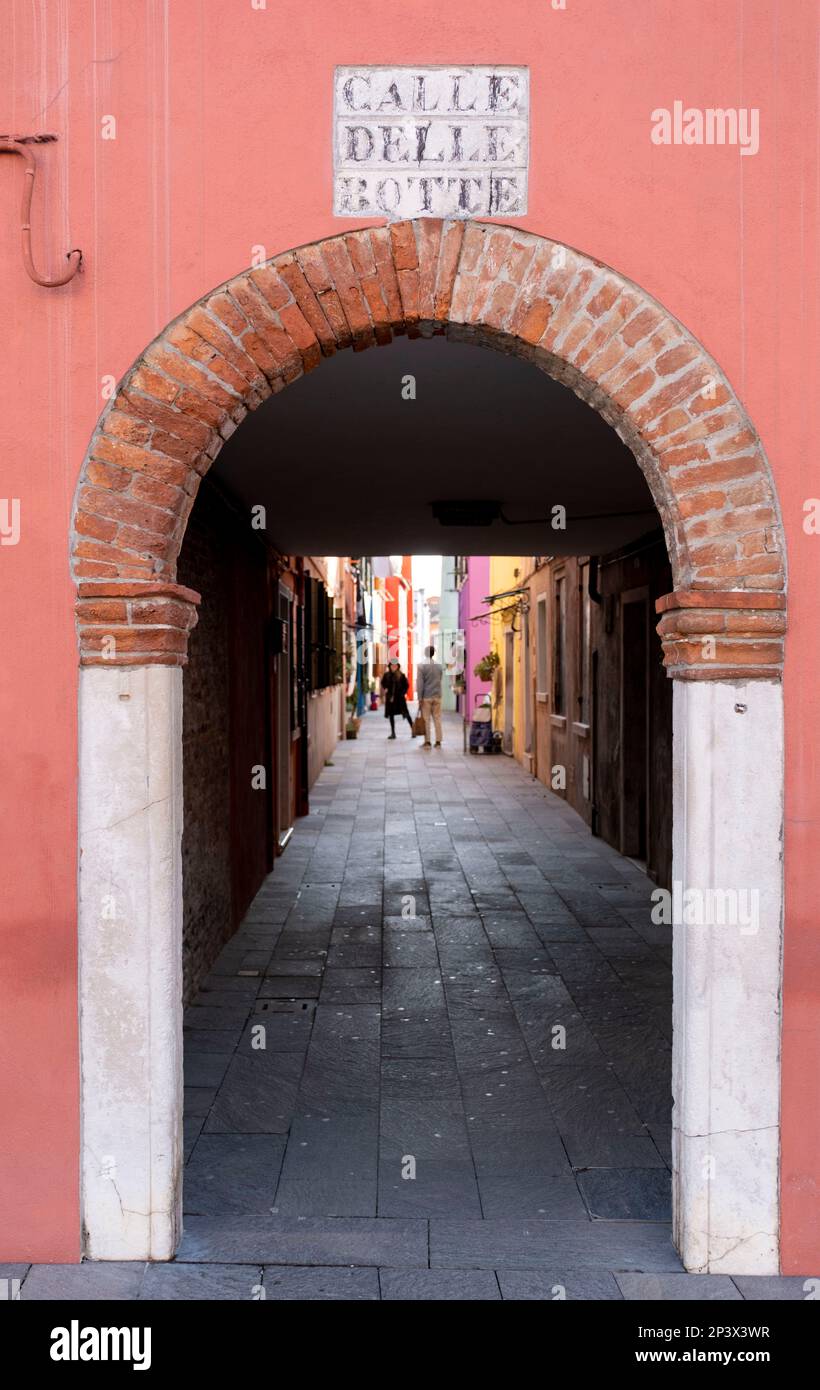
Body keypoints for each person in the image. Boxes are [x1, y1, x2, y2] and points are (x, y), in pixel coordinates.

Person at [416, 645, 443, 748]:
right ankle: (438, 741)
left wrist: (419, 698)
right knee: (437, 718)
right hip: (437, 695)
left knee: (426, 719)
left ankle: (427, 742)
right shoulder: (439, 665)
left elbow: (420, 683)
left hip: (426, 696)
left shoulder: (421, 666)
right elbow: (440, 679)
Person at [381, 659, 414, 739]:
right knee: (391, 715)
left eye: (395, 666)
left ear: (398, 666)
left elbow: (406, 685)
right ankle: (393, 733)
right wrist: (385, 688)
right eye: (392, 666)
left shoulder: (401, 675)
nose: (394, 667)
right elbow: (383, 683)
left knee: (406, 714)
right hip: (391, 699)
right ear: (390, 666)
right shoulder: (386, 675)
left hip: (400, 699)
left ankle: (414, 730)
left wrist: (403, 693)